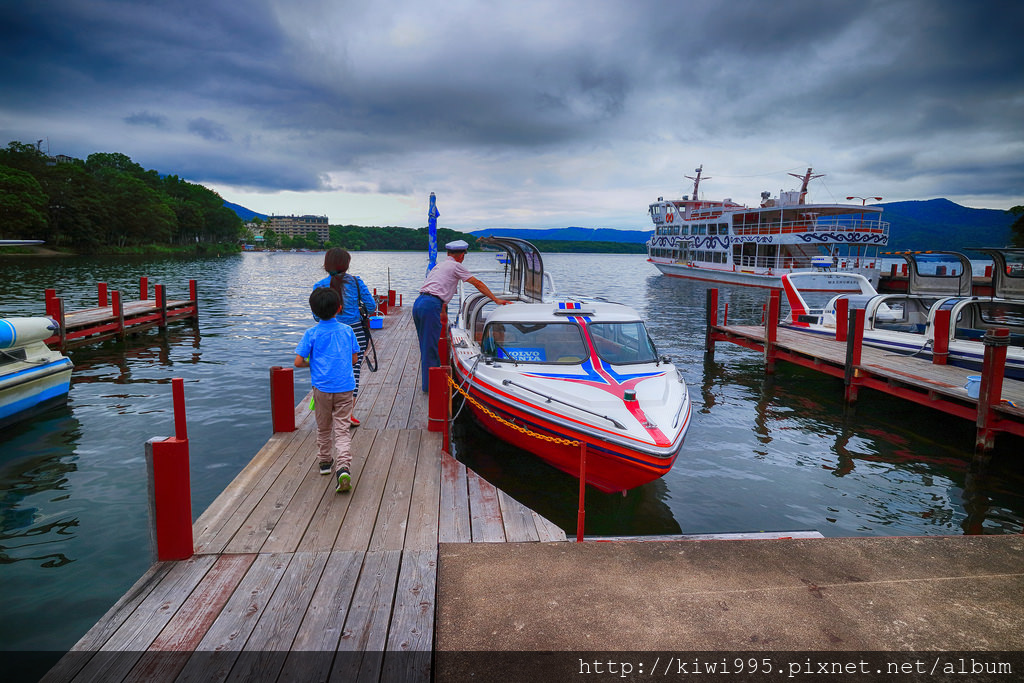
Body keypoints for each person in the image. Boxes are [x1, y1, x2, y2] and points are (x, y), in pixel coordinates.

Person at [413, 239, 511, 391]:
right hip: (430, 305)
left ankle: (429, 383)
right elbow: (477, 283)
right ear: (462, 255)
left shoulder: (440, 265)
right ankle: (432, 387)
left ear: (448, 253)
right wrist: (495, 299)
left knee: (425, 346)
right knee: (430, 347)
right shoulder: (456, 266)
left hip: (419, 302)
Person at [294, 287, 360, 493]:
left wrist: (313, 363)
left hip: (321, 388)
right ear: (339, 308)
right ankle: (343, 467)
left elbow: (297, 362)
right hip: (345, 388)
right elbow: (355, 358)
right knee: (342, 429)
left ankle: (324, 463)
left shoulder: (311, 333)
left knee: (323, 427)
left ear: (313, 311)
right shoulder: (347, 331)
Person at [313, 247, 377, 427]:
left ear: (326, 265)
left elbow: (317, 317)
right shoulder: (356, 282)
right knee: (353, 373)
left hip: (327, 334)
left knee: (329, 369)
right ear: (346, 264)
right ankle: (347, 414)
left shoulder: (319, 286)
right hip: (355, 332)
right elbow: (371, 307)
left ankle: (328, 412)